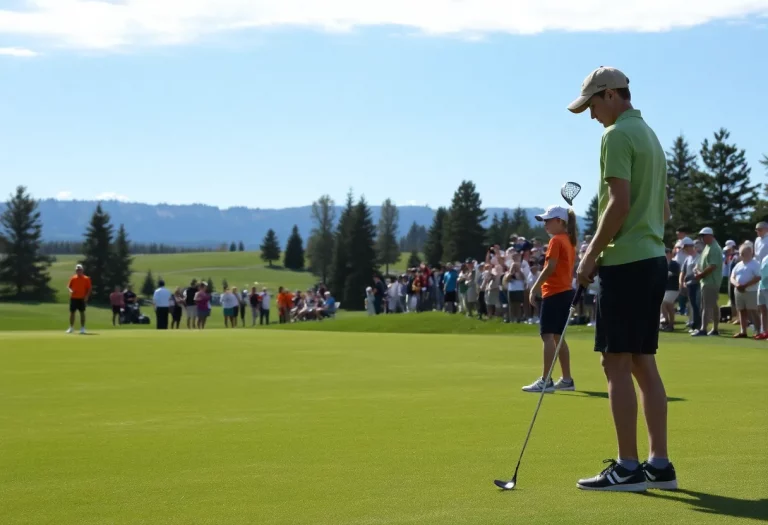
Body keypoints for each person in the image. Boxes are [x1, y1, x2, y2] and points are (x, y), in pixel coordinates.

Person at [570, 66, 675, 491]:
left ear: (611, 95)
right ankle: (659, 464)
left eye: (593, 105)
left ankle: (629, 467)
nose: (592, 115)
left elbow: (618, 203)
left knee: (613, 362)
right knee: (641, 362)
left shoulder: (615, 136)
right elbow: (663, 211)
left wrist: (590, 254)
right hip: (653, 259)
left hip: (627, 263)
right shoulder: (650, 135)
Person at [523, 205, 577, 393]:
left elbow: (550, 267)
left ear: (559, 222)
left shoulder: (556, 240)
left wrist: (535, 287)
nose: (545, 224)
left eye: (548, 220)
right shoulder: (569, 240)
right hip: (565, 292)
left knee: (548, 336)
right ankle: (567, 380)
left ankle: (546, 380)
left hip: (554, 293)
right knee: (557, 337)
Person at [692, 227, 723, 337]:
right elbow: (701, 263)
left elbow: (712, 266)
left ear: (710, 236)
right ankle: (714, 329)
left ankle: (703, 329)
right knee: (713, 305)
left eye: (703, 236)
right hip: (706, 281)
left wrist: (700, 275)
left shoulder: (714, 248)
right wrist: (697, 270)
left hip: (711, 281)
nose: (702, 238)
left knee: (706, 306)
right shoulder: (708, 247)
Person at [730, 243, 761, 338]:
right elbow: (732, 277)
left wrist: (745, 285)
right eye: (741, 253)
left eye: (744, 253)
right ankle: (743, 331)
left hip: (751, 291)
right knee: (741, 310)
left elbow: (758, 277)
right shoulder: (738, 265)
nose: (742, 255)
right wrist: (737, 284)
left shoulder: (755, 264)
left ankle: (758, 331)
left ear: (750, 253)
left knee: (753, 311)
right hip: (738, 290)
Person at [679, 238, 701, 333]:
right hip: (688, 285)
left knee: (697, 305)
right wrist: (681, 282)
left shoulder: (699, 257)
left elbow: (698, 271)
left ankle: (697, 326)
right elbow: (682, 272)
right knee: (692, 306)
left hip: (697, 284)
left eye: (684, 247)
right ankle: (693, 325)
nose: (683, 250)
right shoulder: (688, 258)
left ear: (689, 246)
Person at [660, 248, 681, 332]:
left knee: (663, 303)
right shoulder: (663, 264)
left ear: (670, 254)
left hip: (673, 288)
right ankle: (671, 325)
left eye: (666, 253)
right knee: (670, 307)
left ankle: (665, 320)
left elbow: (672, 274)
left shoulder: (674, 264)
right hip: (666, 288)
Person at [67, 264, 92, 334]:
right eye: (77, 270)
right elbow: (69, 286)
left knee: (82, 313)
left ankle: (82, 328)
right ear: (76, 271)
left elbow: (89, 288)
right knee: (72, 313)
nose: (78, 271)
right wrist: (70, 290)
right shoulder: (73, 278)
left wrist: (87, 296)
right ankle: (71, 328)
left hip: (82, 298)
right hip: (73, 298)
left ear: (82, 270)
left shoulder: (86, 278)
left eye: (80, 270)